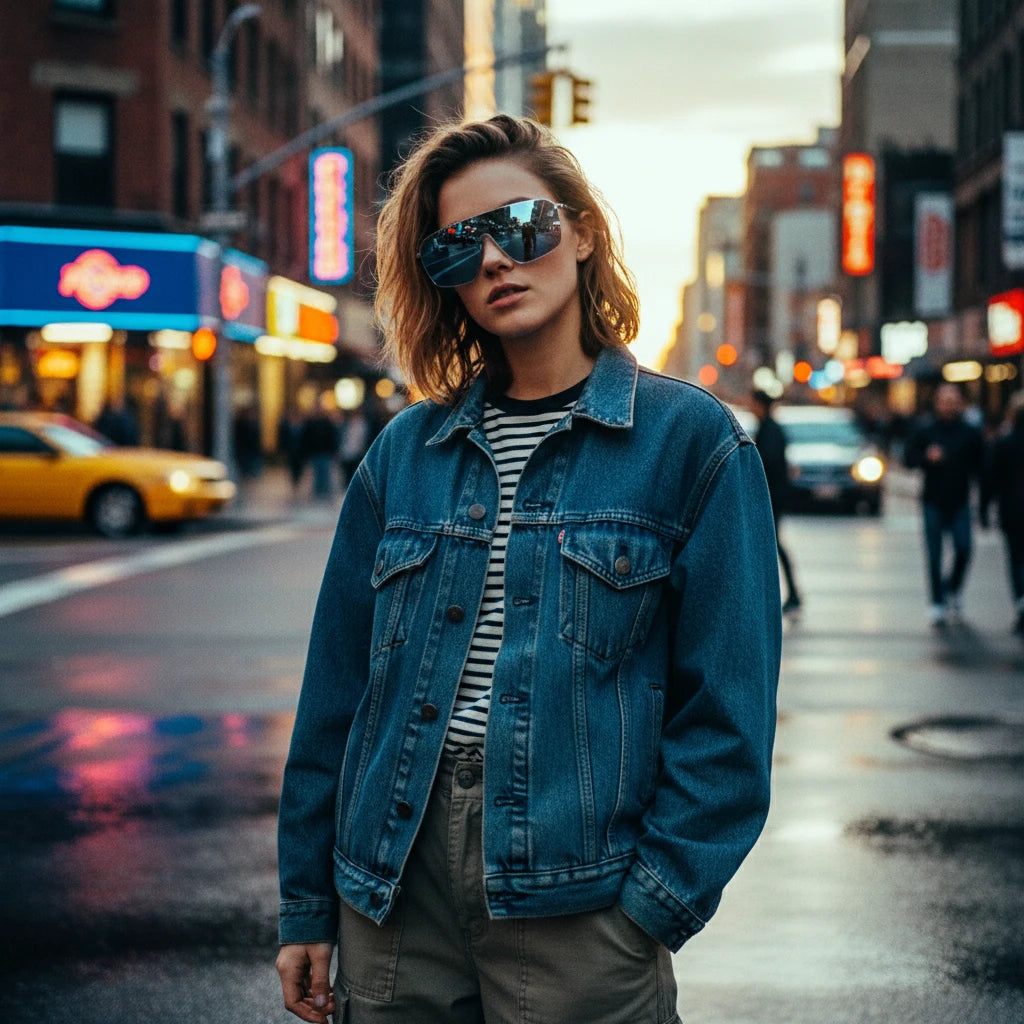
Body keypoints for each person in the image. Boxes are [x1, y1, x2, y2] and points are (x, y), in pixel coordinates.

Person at [275, 115, 781, 1024]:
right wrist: (309, 903)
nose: (496, 262)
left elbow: (730, 713)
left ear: (582, 231)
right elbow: (337, 697)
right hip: (392, 891)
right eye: (457, 249)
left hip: (580, 906)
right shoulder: (405, 454)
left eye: (521, 226)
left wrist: (649, 909)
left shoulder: (690, 444)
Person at [904, 383, 986, 627]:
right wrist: (926, 458)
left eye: (953, 400)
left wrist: (984, 501)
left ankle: (953, 588)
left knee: (964, 548)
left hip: (960, 501)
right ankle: (937, 602)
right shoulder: (926, 430)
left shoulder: (970, 433)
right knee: (934, 554)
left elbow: (981, 465)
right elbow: (909, 458)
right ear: (937, 403)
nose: (949, 405)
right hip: (932, 501)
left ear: (960, 403)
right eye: (944, 400)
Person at [750, 388, 801, 614]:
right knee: (770, 546)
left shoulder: (770, 429)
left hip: (771, 497)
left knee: (771, 546)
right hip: (772, 496)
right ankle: (788, 594)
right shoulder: (769, 427)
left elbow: (768, 462)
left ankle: (788, 594)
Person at [981, 391, 1024, 634]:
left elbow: (990, 481)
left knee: (1016, 559)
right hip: (1013, 510)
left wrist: (985, 510)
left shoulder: (1002, 444)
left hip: (1012, 511)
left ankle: (1021, 601)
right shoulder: (1002, 444)